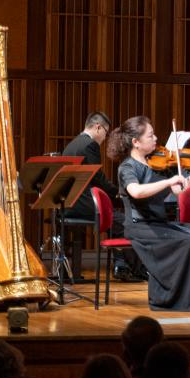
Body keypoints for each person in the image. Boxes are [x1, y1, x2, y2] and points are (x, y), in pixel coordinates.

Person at [107, 116, 190, 311]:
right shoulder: (127, 167)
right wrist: (168, 181)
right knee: (187, 240)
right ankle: (178, 299)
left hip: (157, 223)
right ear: (136, 142)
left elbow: (179, 188)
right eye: (150, 135)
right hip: (139, 226)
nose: (155, 138)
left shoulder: (154, 163)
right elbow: (136, 191)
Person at [62, 111, 141, 283]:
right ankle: (126, 267)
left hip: (69, 202)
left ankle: (121, 264)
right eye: (106, 132)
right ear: (98, 127)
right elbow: (97, 177)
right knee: (122, 221)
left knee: (116, 219)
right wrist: (116, 192)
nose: (105, 137)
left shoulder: (74, 143)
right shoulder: (90, 144)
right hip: (81, 203)